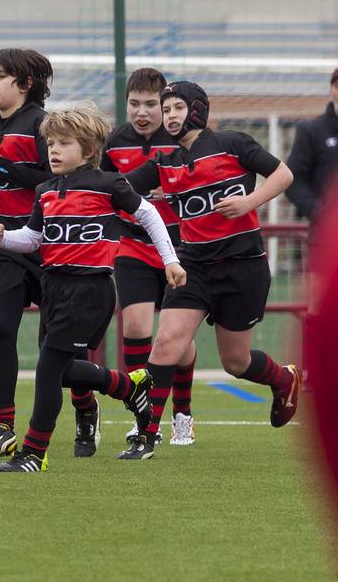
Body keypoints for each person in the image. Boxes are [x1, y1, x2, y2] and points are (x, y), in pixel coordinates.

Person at [0, 105, 184, 473]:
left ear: (89, 150)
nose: (53, 151)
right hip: (54, 287)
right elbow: (33, 238)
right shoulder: (44, 190)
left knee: (47, 370)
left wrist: (170, 259)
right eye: (50, 143)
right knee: (59, 372)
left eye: (64, 143)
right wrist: (3, 238)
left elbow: (148, 214)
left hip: (89, 289)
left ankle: (33, 453)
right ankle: (129, 387)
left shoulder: (109, 184)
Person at [119, 81, 301, 459]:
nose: (168, 116)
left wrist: (249, 201)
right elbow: (118, 190)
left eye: (176, 108)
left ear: (198, 109)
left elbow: (283, 174)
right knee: (166, 342)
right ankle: (146, 436)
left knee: (236, 362)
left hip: (243, 268)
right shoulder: (164, 163)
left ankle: (285, 378)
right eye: (165, 109)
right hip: (193, 267)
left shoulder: (232, 143)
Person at [101, 67, 198, 445]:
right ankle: (143, 413)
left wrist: (170, 194)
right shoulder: (114, 143)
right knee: (136, 327)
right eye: (134, 104)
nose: (143, 112)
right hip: (133, 244)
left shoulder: (181, 141)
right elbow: (107, 191)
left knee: (178, 338)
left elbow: (199, 184)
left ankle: (183, 414)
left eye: (151, 104)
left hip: (179, 246)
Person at [0, 47, 57, 458]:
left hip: (44, 242)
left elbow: (53, 178)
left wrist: (4, 169)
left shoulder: (43, 124)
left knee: (55, 342)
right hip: (2, 243)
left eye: (1, 76)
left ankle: (84, 406)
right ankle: (1, 422)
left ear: (25, 84)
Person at [285, 67, 338, 225]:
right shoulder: (311, 130)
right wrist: (321, 213)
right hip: (326, 234)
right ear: (331, 90)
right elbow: (293, 180)